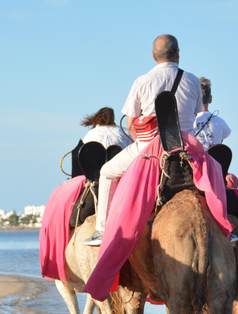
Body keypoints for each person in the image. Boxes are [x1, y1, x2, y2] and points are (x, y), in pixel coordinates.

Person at [85, 34, 203, 246]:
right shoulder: (193, 80)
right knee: (220, 176)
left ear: (153, 57)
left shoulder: (142, 81)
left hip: (150, 146)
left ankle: (102, 230)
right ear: (177, 53)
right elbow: (195, 116)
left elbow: (130, 125)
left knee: (107, 173)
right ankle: (227, 225)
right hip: (188, 147)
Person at [193, 77, 231, 150]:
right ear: (210, 99)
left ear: (195, 99)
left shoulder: (188, 121)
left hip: (195, 159)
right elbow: (219, 144)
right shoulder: (221, 122)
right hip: (213, 160)